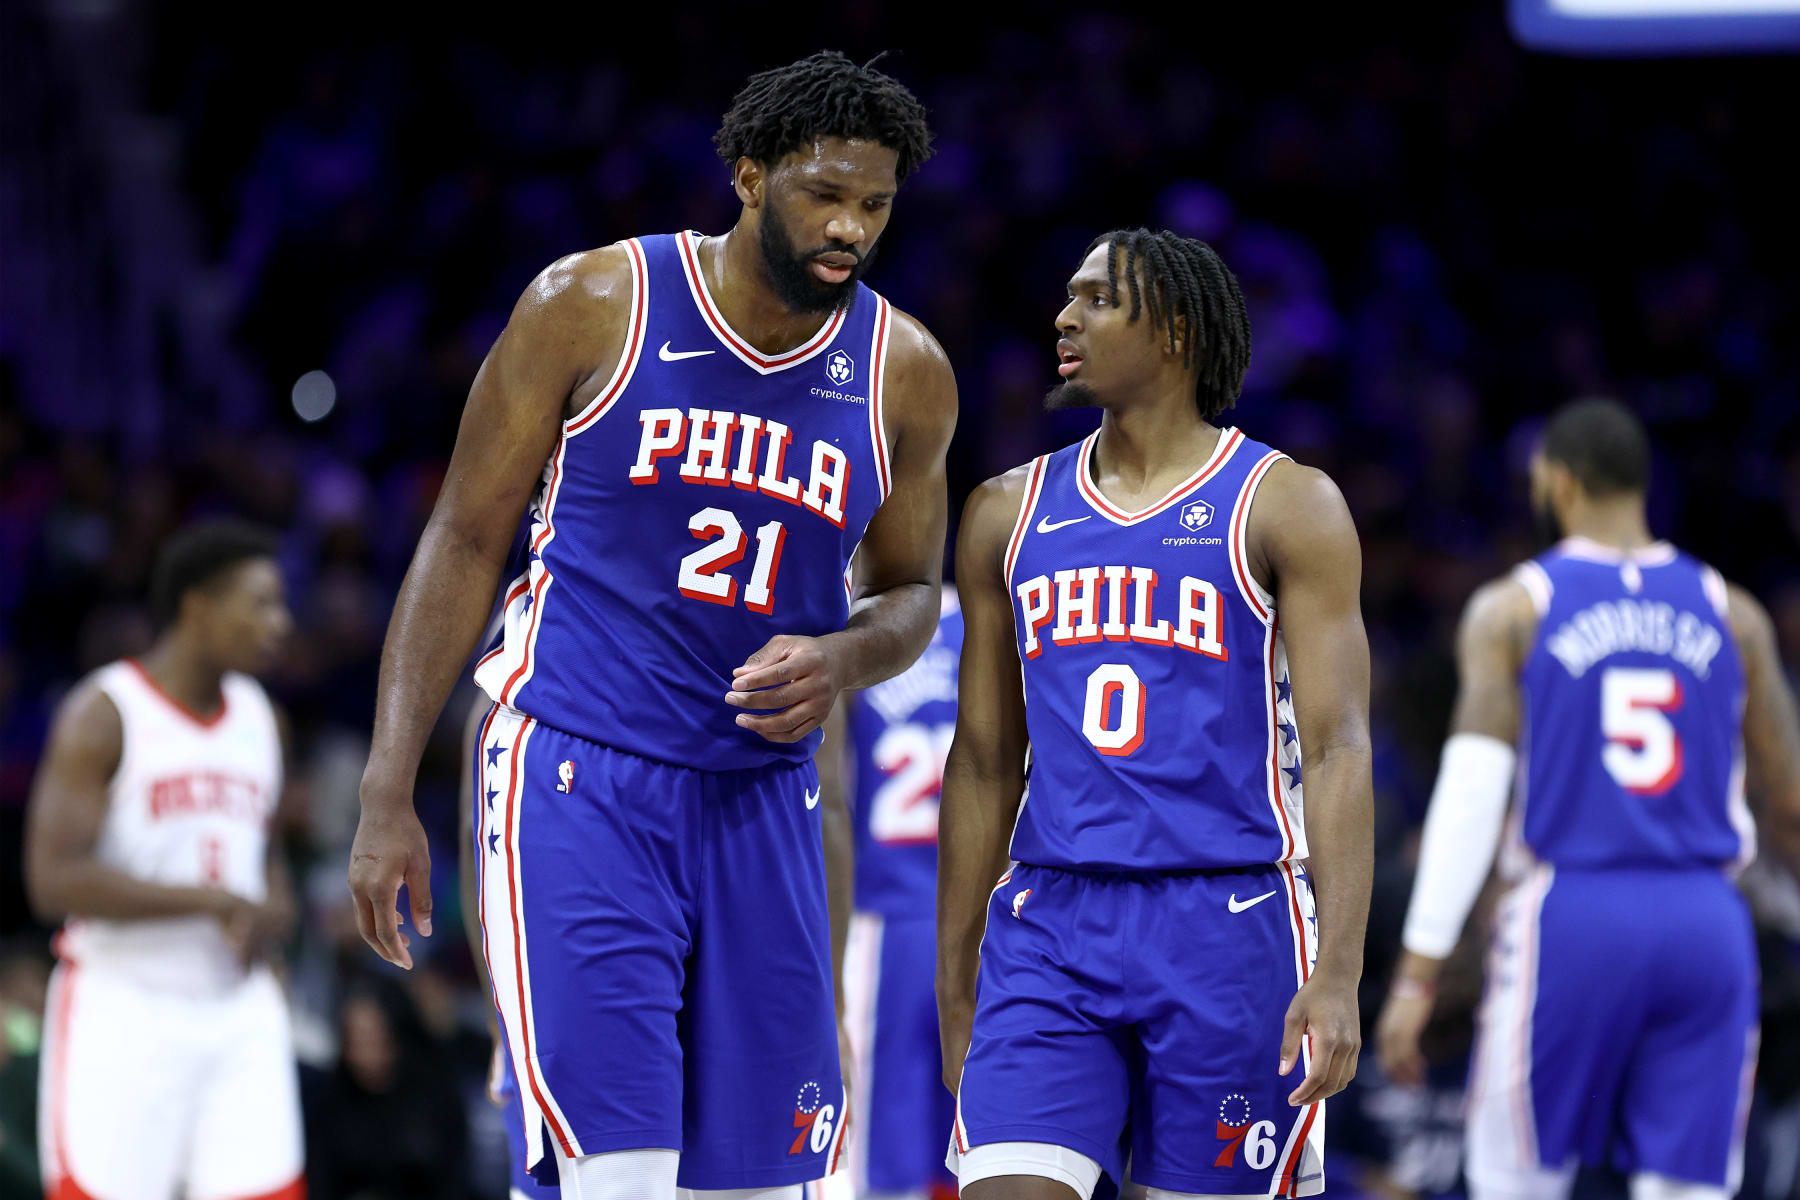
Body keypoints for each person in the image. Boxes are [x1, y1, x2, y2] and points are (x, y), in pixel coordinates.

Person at [346, 50, 958, 1200]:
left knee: (764, 1188)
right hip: (582, 774)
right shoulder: (591, 305)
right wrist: (388, 789)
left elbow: (914, 593)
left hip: (763, 795)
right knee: (615, 1178)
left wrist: (843, 653)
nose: (850, 229)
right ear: (748, 175)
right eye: (825, 194)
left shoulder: (905, 372)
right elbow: (465, 538)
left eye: (874, 205)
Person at [937, 229, 1373, 1200]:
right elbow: (979, 761)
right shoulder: (1006, 513)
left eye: (1098, 300)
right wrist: (955, 979)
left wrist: (1339, 970)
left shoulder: (1286, 505)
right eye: (1067, 297)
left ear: (1173, 331)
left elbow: (1341, 746)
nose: (1064, 317)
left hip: (1227, 922)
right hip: (1050, 922)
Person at [1374, 398, 1800, 1200]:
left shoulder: (1516, 607)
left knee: (1514, 1179)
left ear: (1559, 481)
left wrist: (1418, 975)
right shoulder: (1732, 613)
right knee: (1687, 1190)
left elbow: (1470, 794)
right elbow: (1790, 811)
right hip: (1707, 919)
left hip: (1573, 909)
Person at [23, 519, 303, 1200]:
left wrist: (273, 911)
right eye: (260, 603)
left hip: (237, 1009)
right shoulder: (105, 712)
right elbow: (51, 880)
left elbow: (268, 863)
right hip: (125, 1008)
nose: (282, 624)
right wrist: (206, 901)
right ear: (197, 606)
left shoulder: (264, 719)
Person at [822, 586, 962, 1200]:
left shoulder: (848, 626)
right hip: (985, 919)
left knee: (878, 1174)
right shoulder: (1000, 615)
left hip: (883, 922)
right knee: (969, 1161)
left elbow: (830, 791)